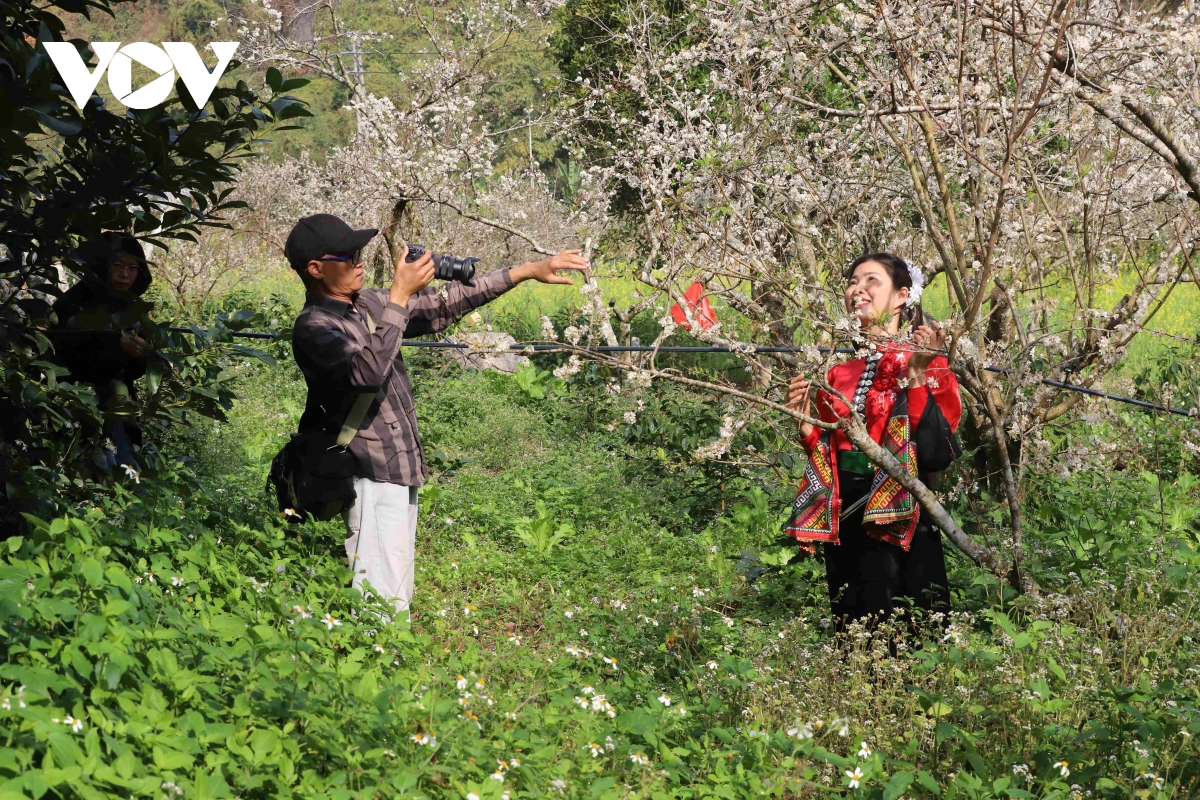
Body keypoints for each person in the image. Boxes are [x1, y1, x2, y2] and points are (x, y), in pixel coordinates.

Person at [286, 213, 589, 620]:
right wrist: (398, 297)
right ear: (316, 269)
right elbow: (366, 374)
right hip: (370, 469)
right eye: (348, 255)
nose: (360, 261)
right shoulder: (314, 327)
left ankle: (384, 660)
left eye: (361, 252)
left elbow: (446, 304)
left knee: (394, 581)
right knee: (382, 593)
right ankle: (379, 666)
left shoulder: (367, 305)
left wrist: (529, 271)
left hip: (400, 462)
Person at [785, 252, 962, 631]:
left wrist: (917, 376)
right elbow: (829, 451)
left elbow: (935, 453)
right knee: (853, 628)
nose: (857, 290)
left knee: (913, 626)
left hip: (904, 516)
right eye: (852, 281)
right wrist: (805, 424)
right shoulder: (838, 371)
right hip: (847, 516)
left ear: (901, 296)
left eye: (871, 281)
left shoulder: (927, 359)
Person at [50, 232, 154, 470]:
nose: (124, 274)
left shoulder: (132, 307)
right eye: (117, 265)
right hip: (75, 400)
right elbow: (65, 346)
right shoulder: (73, 302)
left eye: (132, 267)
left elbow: (136, 368)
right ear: (102, 266)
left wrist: (144, 352)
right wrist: (115, 344)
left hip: (118, 407)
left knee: (125, 476)